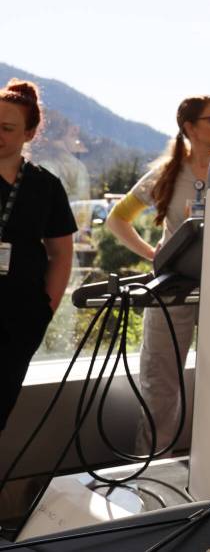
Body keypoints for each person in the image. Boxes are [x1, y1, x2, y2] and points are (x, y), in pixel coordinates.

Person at [106, 95, 210, 452]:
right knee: (160, 385)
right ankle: (152, 464)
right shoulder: (167, 174)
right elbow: (117, 220)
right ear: (190, 128)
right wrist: (152, 254)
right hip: (173, 288)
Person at [0, 79, 77, 433]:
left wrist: (44, 310)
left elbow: (61, 254)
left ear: (29, 134)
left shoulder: (45, 186)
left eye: (7, 128)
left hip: (18, 322)